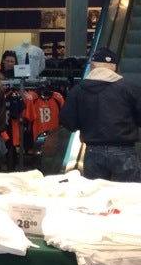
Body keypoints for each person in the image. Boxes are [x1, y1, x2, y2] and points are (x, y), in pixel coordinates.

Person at [59, 47, 141, 182]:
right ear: (114, 67)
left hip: (93, 151)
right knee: (127, 199)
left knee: (95, 200)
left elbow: (68, 122)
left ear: (92, 66)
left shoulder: (78, 90)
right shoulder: (130, 88)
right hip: (124, 152)